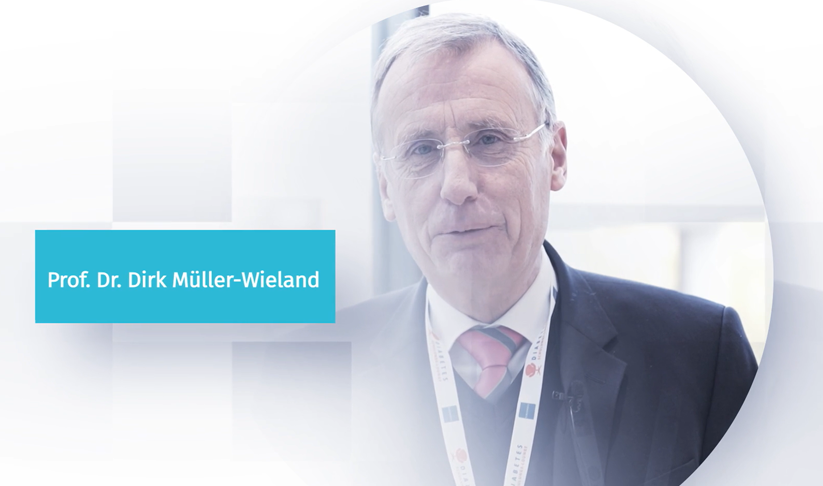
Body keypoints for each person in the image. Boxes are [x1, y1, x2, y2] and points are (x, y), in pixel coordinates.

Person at [274, 12, 757, 486]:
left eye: (489, 140)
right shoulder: (306, 379)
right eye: (421, 149)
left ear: (556, 157)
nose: (457, 186)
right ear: (385, 187)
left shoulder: (701, 356)